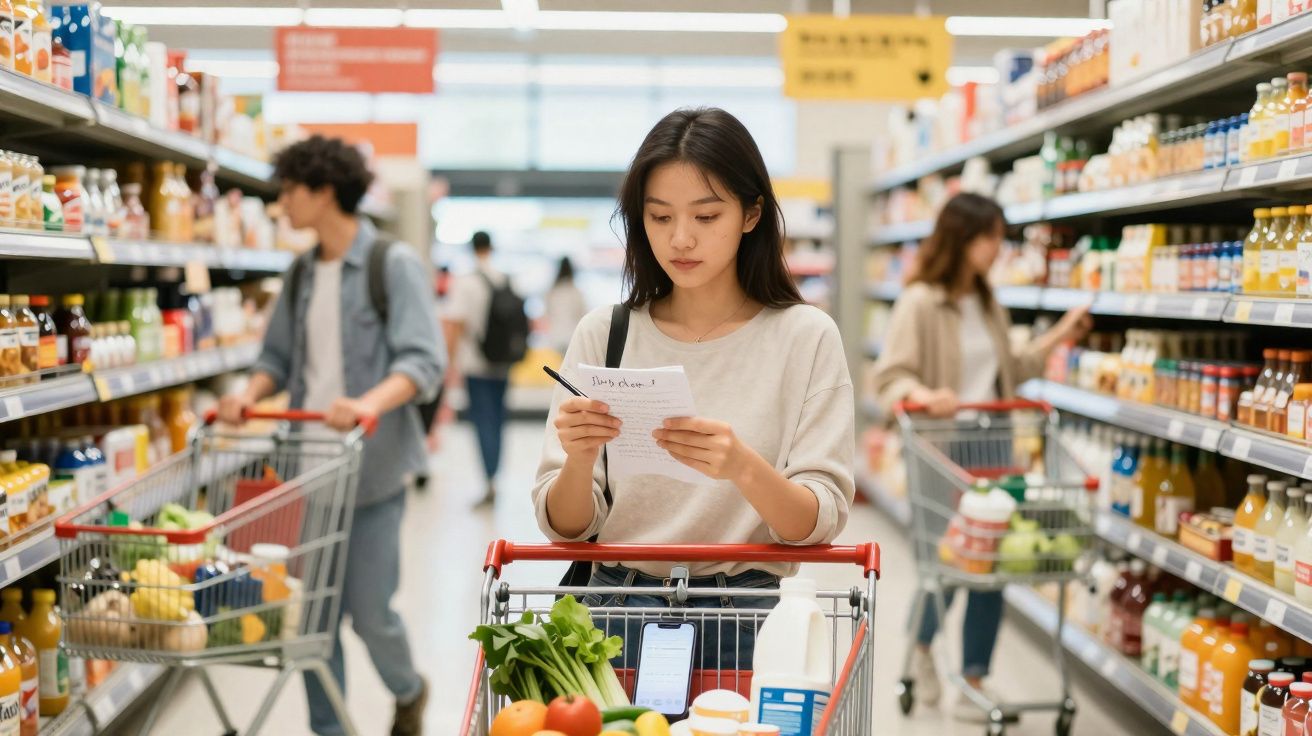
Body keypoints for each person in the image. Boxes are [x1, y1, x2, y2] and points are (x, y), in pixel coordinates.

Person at [531, 107, 855, 669]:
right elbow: (565, 525)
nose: (681, 239)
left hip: (745, 619)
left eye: (706, 216)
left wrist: (743, 468)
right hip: (612, 611)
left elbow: (814, 524)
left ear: (752, 214)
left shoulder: (805, 337)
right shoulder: (605, 333)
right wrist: (580, 460)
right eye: (659, 218)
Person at [216, 135, 442, 736]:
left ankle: (409, 688)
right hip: (309, 470)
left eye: (289, 192)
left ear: (321, 192)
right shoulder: (301, 272)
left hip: (372, 474)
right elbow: (278, 357)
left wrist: (368, 403)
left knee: (370, 613)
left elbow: (423, 361)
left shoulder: (390, 263)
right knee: (312, 621)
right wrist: (248, 394)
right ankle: (330, 729)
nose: (281, 204)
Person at [870, 192, 1092, 720]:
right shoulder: (921, 301)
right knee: (949, 563)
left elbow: (1010, 370)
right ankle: (923, 649)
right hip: (942, 450)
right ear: (962, 237)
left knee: (994, 563)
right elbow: (889, 379)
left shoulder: (988, 301)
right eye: (990, 236)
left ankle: (974, 678)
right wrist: (922, 396)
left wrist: (1061, 334)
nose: (998, 247)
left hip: (994, 445)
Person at [443, 231, 521, 506]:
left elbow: (454, 324)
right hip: (503, 363)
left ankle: (488, 480)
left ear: (471, 249)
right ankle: (495, 476)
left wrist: (448, 364)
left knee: (483, 421)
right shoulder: (506, 278)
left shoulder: (465, 282)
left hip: (475, 365)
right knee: (498, 420)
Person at [543, 256, 588, 355]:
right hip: (572, 336)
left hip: (554, 336)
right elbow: (584, 315)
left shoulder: (551, 292)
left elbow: (547, 314)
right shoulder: (576, 293)